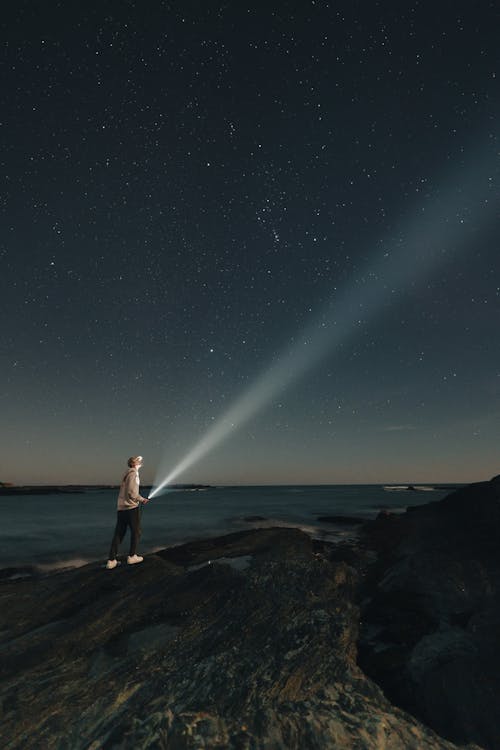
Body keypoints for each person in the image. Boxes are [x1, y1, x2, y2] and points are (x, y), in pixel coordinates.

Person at [106, 455, 149, 569]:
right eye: (140, 461)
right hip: (131, 508)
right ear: (135, 463)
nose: (142, 462)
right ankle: (132, 556)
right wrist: (142, 499)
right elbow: (132, 492)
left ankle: (111, 560)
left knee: (119, 533)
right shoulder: (134, 474)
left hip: (121, 508)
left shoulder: (126, 473)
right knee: (136, 532)